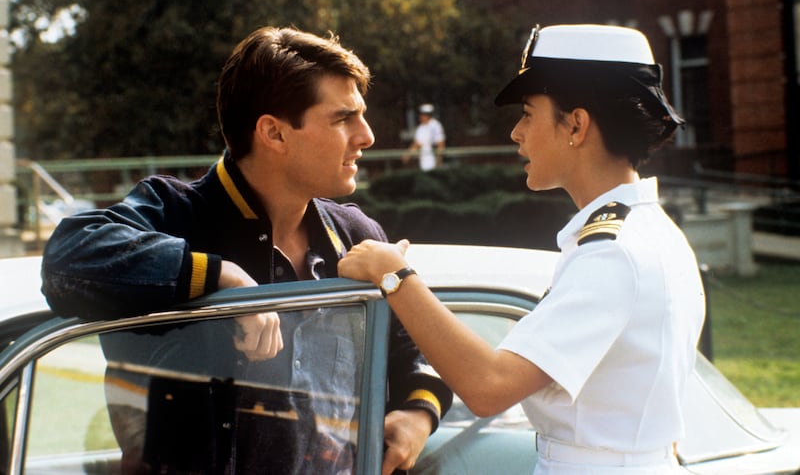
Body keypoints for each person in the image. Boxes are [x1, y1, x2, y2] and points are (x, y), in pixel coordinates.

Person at [41, 26, 451, 474]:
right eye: (342, 119)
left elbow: (417, 353)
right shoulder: (177, 214)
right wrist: (223, 280)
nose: (367, 135)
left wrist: (418, 415)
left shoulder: (356, 234)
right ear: (274, 134)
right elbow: (66, 257)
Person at [339, 24, 706, 474]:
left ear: (576, 124)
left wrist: (394, 275)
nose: (516, 133)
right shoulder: (646, 232)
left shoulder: (614, 253)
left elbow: (489, 386)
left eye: (529, 114)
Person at [404, 103, 445, 171]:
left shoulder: (435, 125)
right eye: (421, 114)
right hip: (424, 160)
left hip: (433, 157)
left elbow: (440, 143)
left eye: (424, 114)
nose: (421, 116)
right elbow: (417, 143)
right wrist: (408, 154)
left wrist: (439, 159)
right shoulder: (420, 128)